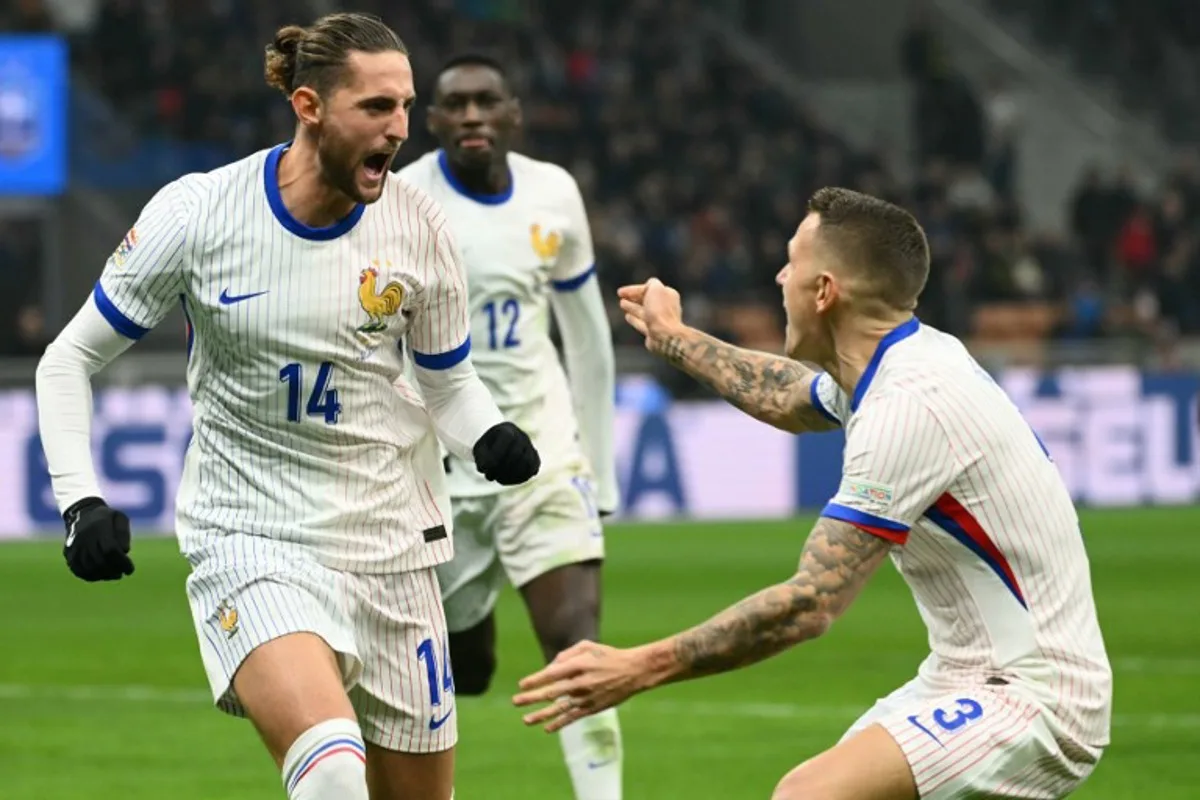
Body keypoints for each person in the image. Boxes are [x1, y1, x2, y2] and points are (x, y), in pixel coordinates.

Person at [34, 14, 541, 800]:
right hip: (253, 537)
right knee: (334, 769)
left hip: (393, 548)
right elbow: (68, 359)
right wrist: (79, 500)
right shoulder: (200, 214)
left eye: (405, 107)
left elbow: (448, 383)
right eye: (376, 108)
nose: (400, 129)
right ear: (308, 106)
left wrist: (490, 436)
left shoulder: (419, 225)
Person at [514, 187, 1112, 800]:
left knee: (808, 795)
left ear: (824, 291)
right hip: (960, 677)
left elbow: (810, 604)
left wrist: (637, 666)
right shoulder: (898, 361)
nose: (778, 276)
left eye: (791, 261)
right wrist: (674, 338)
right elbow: (785, 393)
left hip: (1034, 694)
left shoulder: (910, 406)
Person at [398, 54, 623, 799]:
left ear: (513, 113)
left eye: (486, 101)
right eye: (454, 105)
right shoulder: (402, 201)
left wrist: (602, 468)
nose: (471, 116)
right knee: (469, 671)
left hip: (545, 452)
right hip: (446, 464)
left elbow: (586, 340)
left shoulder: (553, 193)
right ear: (431, 123)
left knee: (575, 646)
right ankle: (481, 594)